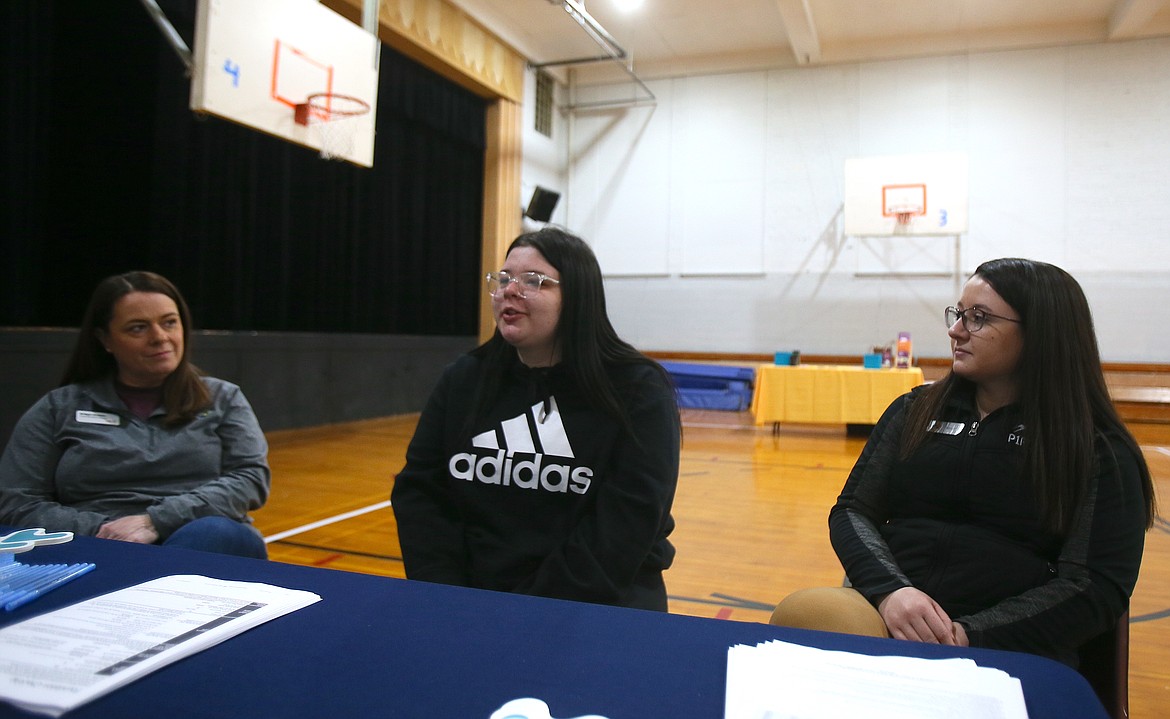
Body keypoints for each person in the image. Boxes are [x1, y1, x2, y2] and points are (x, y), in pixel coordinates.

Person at [770, 258, 1155, 667]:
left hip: (1006, 646)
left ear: (1040, 334)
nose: (956, 330)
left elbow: (1092, 587)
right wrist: (890, 592)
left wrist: (964, 635)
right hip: (887, 617)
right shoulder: (913, 410)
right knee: (808, 612)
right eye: (959, 314)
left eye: (979, 318)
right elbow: (851, 512)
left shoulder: (1098, 450)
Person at [391, 227, 681, 610]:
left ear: (578, 297)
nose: (510, 290)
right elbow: (420, 492)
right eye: (504, 278)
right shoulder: (464, 378)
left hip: (597, 606)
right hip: (468, 603)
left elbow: (626, 524)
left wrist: (527, 613)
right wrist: (448, 594)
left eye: (534, 281)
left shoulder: (637, 390)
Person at [0, 271, 271, 559]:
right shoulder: (59, 407)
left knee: (219, 534)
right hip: (95, 545)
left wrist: (154, 521)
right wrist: (105, 531)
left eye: (169, 322)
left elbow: (250, 478)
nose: (160, 337)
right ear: (105, 339)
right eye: (138, 328)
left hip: (200, 540)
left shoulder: (224, 398)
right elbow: (17, 500)